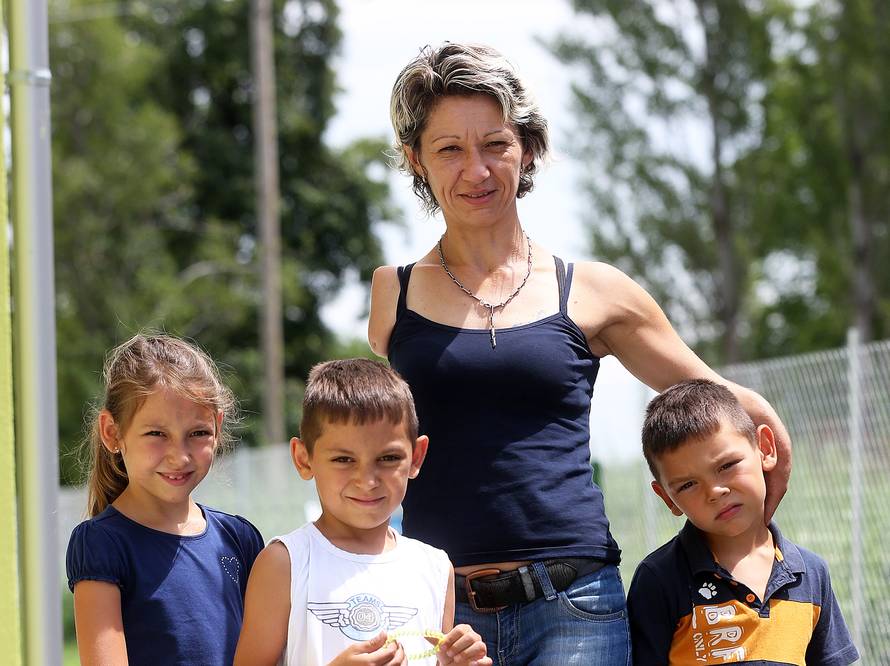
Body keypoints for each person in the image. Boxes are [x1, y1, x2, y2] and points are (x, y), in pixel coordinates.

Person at [368, 42, 793, 663]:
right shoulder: (392, 293)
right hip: (436, 610)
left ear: (528, 148)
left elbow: (723, 400)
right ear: (417, 161)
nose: (476, 169)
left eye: (496, 144)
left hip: (575, 606)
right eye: (449, 149)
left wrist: (756, 508)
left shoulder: (595, 291)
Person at [234, 358, 491, 665]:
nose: (367, 481)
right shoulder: (284, 562)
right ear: (304, 459)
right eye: (344, 460)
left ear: (416, 457)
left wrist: (456, 662)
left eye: (388, 458)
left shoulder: (435, 568)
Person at [65, 333, 264, 665]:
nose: (179, 456)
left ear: (217, 427)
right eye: (156, 434)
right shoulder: (102, 545)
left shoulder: (240, 540)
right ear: (113, 433)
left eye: (197, 433)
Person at [628, 379, 858, 665]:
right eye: (688, 484)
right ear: (667, 498)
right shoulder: (659, 578)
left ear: (765, 448)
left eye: (726, 466)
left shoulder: (811, 573)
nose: (715, 491)